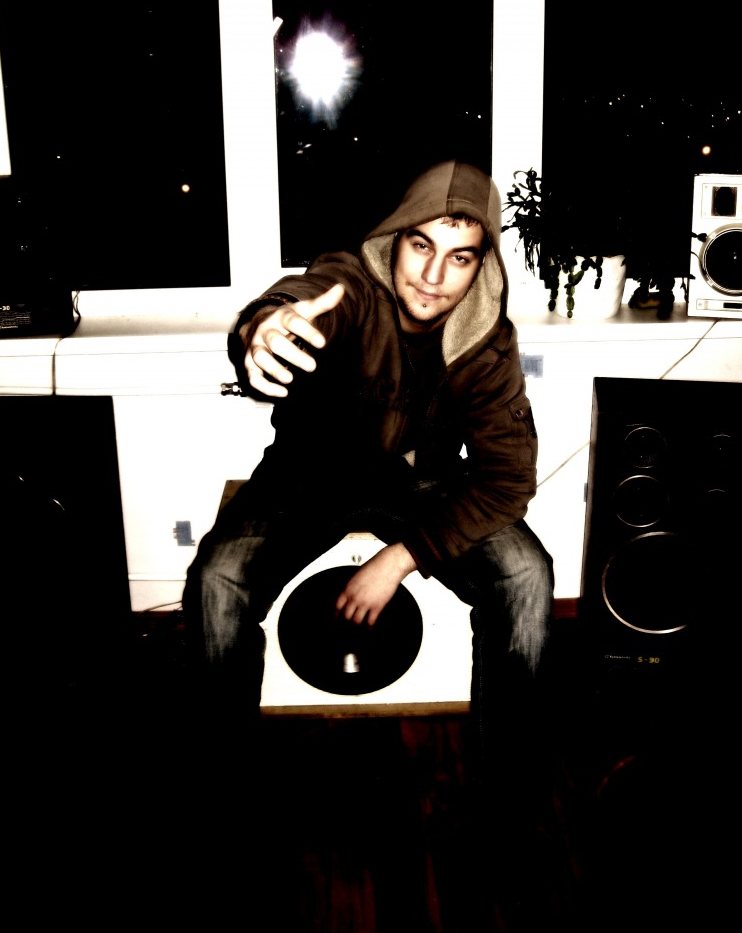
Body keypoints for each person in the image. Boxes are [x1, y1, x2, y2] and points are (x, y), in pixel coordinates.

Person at [182, 160, 556, 921]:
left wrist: (402, 556)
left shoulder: (486, 341)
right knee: (217, 581)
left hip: (419, 482)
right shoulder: (350, 285)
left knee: (527, 574)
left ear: (482, 265)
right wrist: (265, 327)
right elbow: (302, 299)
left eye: (460, 257)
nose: (434, 276)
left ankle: (503, 814)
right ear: (394, 240)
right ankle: (226, 815)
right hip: (307, 476)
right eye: (421, 246)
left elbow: (507, 478)